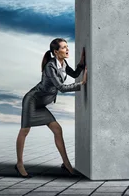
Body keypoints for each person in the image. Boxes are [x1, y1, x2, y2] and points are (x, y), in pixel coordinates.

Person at [14, 38, 88, 178]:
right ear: (56, 51)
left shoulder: (62, 63)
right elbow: (61, 87)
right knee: (24, 131)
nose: (67, 49)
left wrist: (82, 62)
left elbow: (74, 74)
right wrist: (81, 84)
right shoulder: (50, 66)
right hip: (32, 101)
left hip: (42, 104)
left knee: (57, 130)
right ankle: (19, 164)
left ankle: (66, 164)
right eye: (64, 47)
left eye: (67, 46)